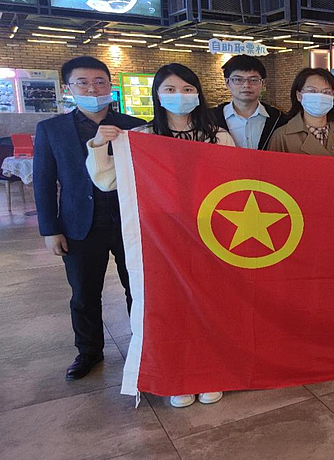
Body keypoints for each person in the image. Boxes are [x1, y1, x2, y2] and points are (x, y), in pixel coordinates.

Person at [85, 63, 233, 409]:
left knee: (209, 304)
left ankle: (208, 371)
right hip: (161, 238)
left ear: (198, 93)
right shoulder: (142, 136)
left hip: (209, 234)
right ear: (157, 95)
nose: (179, 95)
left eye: (187, 88)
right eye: (170, 89)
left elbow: (233, 183)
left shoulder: (219, 136)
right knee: (167, 306)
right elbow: (107, 180)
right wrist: (99, 146)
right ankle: (176, 375)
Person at [33, 56, 146, 380]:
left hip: (130, 222)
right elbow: (43, 181)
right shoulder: (52, 129)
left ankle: (143, 345)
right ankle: (89, 352)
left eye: (99, 82)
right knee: (84, 294)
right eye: (82, 83)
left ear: (110, 85)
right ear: (68, 88)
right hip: (80, 224)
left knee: (138, 288)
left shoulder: (134, 125)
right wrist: (50, 229)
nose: (92, 89)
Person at [267, 68, 334, 157]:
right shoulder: (282, 136)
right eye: (312, 91)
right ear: (299, 96)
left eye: (326, 92)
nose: (320, 97)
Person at [211, 54, 289, 149]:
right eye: (238, 80)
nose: (246, 85)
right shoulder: (210, 119)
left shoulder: (278, 119)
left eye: (253, 80)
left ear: (263, 83)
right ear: (227, 83)